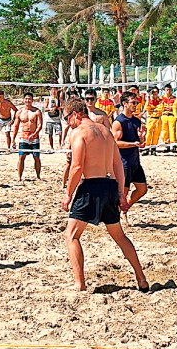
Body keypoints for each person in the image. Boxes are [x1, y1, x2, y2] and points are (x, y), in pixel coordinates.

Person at [60, 98, 148, 292]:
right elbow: (117, 164)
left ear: (75, 114)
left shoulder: (78, 133)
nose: (67, 123)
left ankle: (79, 283)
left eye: (67, 118)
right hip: (110, 185)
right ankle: (141, 277)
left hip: (92, 186)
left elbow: (77, 167)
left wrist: (68, 194)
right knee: (119, 236)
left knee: (71, 235)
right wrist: (121, 193)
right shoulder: (106, 131)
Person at [61, 89, 111, 189]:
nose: (89, 101)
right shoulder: (80, 113)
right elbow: (69, 128)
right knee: (70, 163)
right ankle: (64, 184)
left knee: (90, 166)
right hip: (78, 141)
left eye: (91, 99)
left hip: (95, 144)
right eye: (87, 99)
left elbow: (108, 132)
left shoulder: (101, 115)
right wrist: (66, 144)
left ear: (96, 99)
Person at [112, 92, 147, 224]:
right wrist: (132, 144)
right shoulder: (118, 122)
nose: (136, 105)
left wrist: (142, 139)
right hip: (123, 163)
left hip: (135, 161)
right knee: (123, 192)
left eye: (136, 102)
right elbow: (115, 143)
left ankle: (124, 210)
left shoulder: (136, 121)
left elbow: (140, 142)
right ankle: (117, 217)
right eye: (133, 103)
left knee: (142, 189)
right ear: (125, 104)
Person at [11, 92, 43, 181]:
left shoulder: (36, 111)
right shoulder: (19, 112)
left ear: (32, 100)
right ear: (23, 100)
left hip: (34, 137)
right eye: (26, 99)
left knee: (36, 157)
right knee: (21, 157)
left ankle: (38, 176)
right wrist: (13, 139)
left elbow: (40, 124)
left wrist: (35, 133)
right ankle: (19, 176)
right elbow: (16, 126)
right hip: (23, 137)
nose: (27, 101)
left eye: (29, 99)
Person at [142, 87, 163, 156]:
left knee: (156, 135)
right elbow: (147, 108)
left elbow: (160, 109)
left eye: (156, 92)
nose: (154, 93)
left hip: (157, 119)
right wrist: (148, 99)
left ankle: (153, 149)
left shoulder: (160, 101)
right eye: (153, 92)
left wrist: (153, 108)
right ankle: (147, 149)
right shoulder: (149, 100)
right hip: (150, 118)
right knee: (148, 134)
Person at [160, 84, 177, 152]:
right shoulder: (161, 98)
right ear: (164, 91)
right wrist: (165, 108)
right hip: (164, 115)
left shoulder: (174, 98)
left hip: (171, 115)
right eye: (167, 90)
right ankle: (166, 145)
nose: (168, 91)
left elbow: (176, 106)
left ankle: (174, 144)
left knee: (172, 130)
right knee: (165, 131)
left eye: (170, 90)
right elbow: (160, 107)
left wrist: (171, 108)